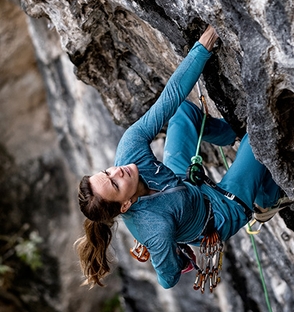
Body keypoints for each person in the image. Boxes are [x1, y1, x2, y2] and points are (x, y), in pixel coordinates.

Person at [77, 26, 282, 289]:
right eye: (114, 184)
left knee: (184, 113)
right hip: (217, 214)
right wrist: (171, 251)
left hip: (182, 185)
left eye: (106, 172)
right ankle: (266, 200)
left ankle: (233, 136)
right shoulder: (156, 229)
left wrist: (204, 45)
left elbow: (170, 97)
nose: (117, 171)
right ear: (126, 205)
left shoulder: (128, 152)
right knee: (258, 137)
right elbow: (167, 279)